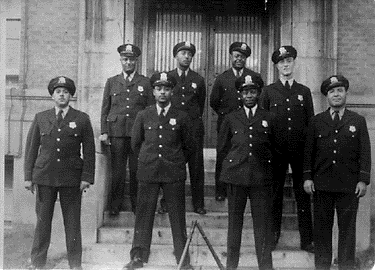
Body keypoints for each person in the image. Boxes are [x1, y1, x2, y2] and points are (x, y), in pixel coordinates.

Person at [123, 72, 194, 270]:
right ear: (153, 91)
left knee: (178, 218)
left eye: (167, 89)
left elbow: (189, 146)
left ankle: (183, 259)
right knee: (144, 215)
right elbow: (136, 144)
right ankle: (138, 256)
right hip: (149, 171)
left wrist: (176, 161)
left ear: (172, 91)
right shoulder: (143, 115)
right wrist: (149, 160)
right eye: (159, 89)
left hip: (173, 172)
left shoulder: (181, 116)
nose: (163, 92)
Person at [24, 76, 95, 270]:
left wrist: (87, 177)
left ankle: (75, 265)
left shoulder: (81, 118)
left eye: (65, 92)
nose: (62, 95)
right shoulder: (41, 117)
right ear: (52, 96)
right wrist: (28, 177)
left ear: (71, 95)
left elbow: (89, 150)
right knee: (42, 223)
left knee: (72, 224)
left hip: (71, 178)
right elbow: (31, 148)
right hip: (45, 176)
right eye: (58, 92)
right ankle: (37, 263)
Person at [303, 75, 371, 270]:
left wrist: (363, 180)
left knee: (347, 231)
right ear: (327, 96)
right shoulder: (317, 121)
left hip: (349, 186)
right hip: (322, 184)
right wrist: (307, 177)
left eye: (340, 90)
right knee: (322, 231)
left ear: (345, 93)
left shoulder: (357, 121)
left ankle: (346, 266)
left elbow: (365, 152)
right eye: (332, 91)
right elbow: (309, 152)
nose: (336, 94)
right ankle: (322, 267)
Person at [218, 75, 277, 270]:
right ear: (240, 94)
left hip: (261, 178)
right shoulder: (231, 118)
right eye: (245, 92)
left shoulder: (269, 117)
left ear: (258, 93)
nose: (249, 96)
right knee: (235, 225)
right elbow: (223, 148)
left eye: (252, 92)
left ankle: (266, 267)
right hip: (236, 177)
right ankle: (231, 266)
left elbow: (276, 148)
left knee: (262, 226)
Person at [260, 45, 314, 252]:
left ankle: (307, 239)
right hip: (276, 151)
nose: (286, 65)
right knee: (274, 195)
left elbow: (310, 125)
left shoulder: (304, 92)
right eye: (282, 62)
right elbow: (263, 122)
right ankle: (273, 235)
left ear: (294, 63)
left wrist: (309, 153)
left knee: (303, 195)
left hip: (299, 151)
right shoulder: (268, 91)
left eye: (289, 61)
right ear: (276, 66)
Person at [99, 44, 153, 215]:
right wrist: (104, 131)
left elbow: (150, 109)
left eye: (131, 60)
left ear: (136, 61)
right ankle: (115, 206)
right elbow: (105, 108)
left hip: (138, 134)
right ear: (121, 61)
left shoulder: (145, 82)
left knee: (137, 170)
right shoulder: (112, 82)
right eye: (125, 59)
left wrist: (149, 133)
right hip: (117, 132)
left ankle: (137, 205)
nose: (128, 62)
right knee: (118, 171)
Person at [210, 41, 263, 201]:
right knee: (223, 153)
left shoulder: (254, 77)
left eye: (243, 57)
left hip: (248, 122)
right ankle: (221, 190)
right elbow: (214, 101)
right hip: (227, 123)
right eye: (237, 56)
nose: (239, 59)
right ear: (231, 56)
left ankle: (246, 188)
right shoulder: (222, 78)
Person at [157, 41, 206, 215]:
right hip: (173, 129)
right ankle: (166, 202)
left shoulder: (198, 80)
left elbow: (200, 105)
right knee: (171, 166)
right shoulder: (168, 78)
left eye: (189, 54)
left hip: (193, 129)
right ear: (175, 56)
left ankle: (198, 203)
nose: (186, 56)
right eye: (183, 53)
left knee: (196, 167)